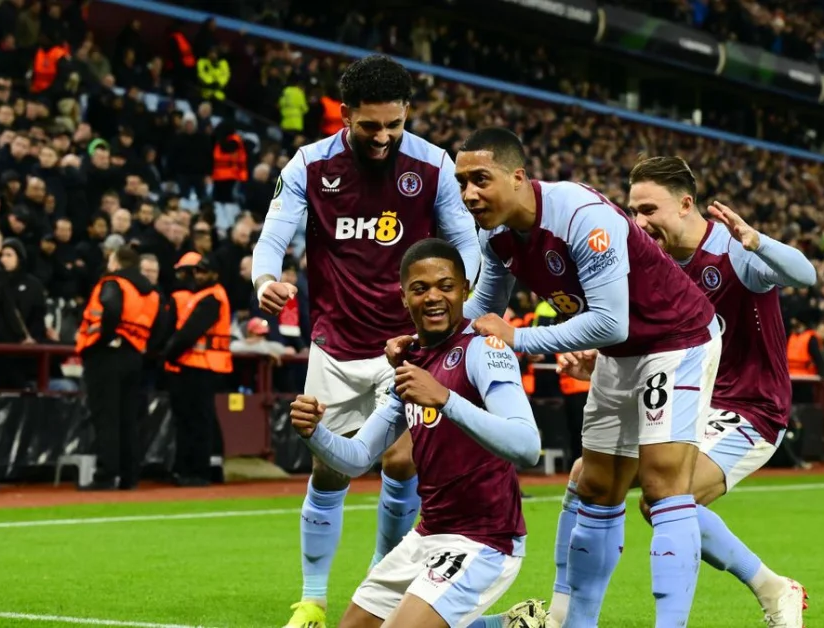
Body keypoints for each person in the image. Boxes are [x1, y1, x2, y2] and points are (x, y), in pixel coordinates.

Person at [439, 128, 721, 628]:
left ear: (519, 177)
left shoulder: (579, 216)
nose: (468, 194)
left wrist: (518, 339)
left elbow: (611, 320)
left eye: (480, 179)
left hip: (675, 338)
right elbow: (483, 309)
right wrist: (427, 345)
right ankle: (577, 624)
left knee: (661, 484)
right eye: (462, 182)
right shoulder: (496, 234)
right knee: (595, 486)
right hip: (620, 353)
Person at [250, 54, 481, 628]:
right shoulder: (310, 165)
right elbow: (274, 232)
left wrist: (463, 307)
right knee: (330, 471)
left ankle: (380, 582)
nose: (383, 137)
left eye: (394, 125)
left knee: (402, 461)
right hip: (335, 344)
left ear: (406, 114)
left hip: (405, 343)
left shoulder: (432, 165)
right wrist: (265, 279)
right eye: (370, 126)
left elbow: (466, 246)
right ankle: (312, 599)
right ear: (346, 114)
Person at [542, 156, 816, 628]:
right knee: (587, 475)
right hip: (682, 399)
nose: (639, 222)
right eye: (633, 211)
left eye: (650, 209)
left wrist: (759, 242)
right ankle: (562, 613)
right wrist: (595, 359)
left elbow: (806, 275)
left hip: (747, 407)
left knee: (664, 498)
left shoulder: (732, 252)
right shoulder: (646, 264)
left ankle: (771, 586)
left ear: (687, 204)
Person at [289, 239, 538, 628]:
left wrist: (444, 398)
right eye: (420, 289)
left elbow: (527, 447)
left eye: (446, 286)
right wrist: (314, 432)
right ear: (404, 298)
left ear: (465, 291)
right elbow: (356, 459)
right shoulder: (412, 366)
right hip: (426, 536)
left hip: (485, 541)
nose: (434, 297)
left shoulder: (485, 351)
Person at [74, 245, 161, 490]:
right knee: (128, 418)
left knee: (106, 417)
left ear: (117, 262)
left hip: (107, 355)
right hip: (134, 356)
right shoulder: (151, 292)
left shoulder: (113, 283)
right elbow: (162, 324)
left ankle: (105, 474)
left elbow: (111, 309)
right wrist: (143, 344)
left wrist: (104, 338)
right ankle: (129, 475)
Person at [163, 253, 230, 486]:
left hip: (202, 366)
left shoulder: (212, 297)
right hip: (196, 365)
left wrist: (166, 355)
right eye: (198, 271)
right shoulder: (205, 295)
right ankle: (191, 469)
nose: (199, 275)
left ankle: (197, 472)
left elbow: (189, 333)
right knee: (196, 420)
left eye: (204, 272)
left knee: (197, 421)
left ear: (214, 274)